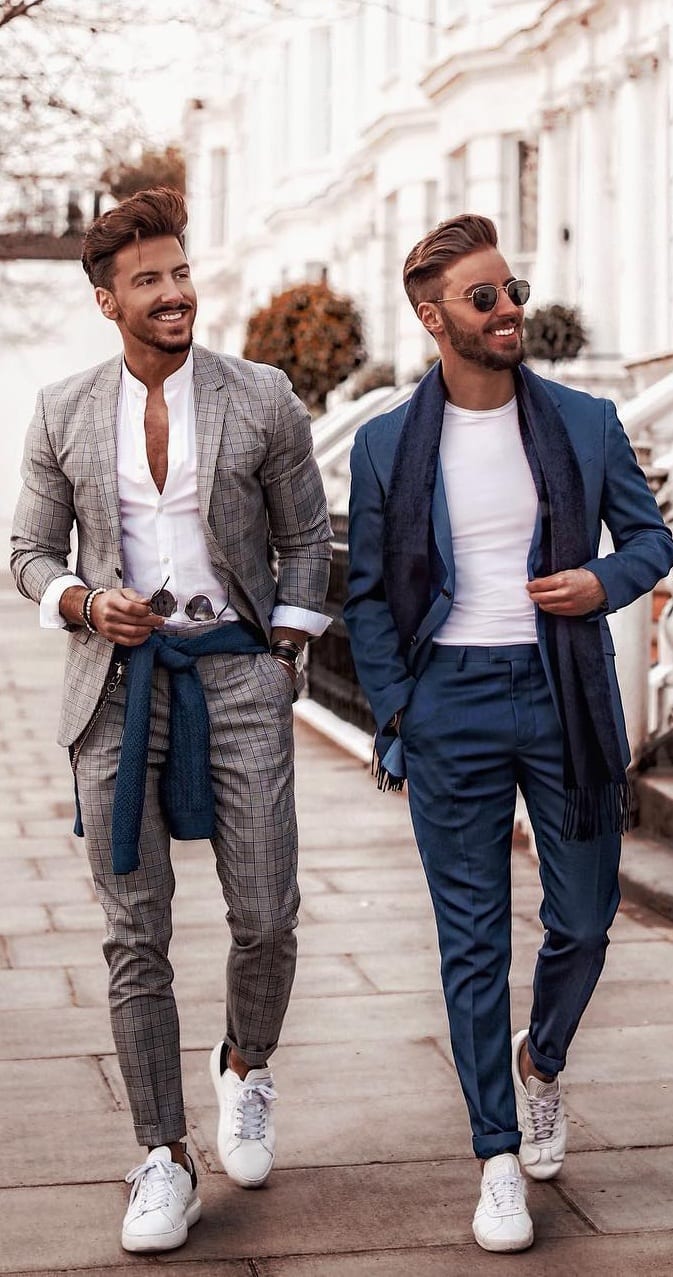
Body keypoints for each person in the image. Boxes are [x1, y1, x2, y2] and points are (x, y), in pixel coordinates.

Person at [343, 213, 673, 1253]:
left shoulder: (581, 419)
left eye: (512, 289)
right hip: (450, 702)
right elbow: (364, 593)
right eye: (484, 299)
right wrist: (401, 702)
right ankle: (494, 1153)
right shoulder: (386, 440)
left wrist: (600, 582)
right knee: (471, 941)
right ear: (434, 318)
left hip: (561, 690)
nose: (508, 311)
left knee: (582, 918)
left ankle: (542, 1062)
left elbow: (653, 536)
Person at [10, 187, 332, 1253]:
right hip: (116, 682)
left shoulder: (262, 395)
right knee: (130, 928)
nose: (174, 293)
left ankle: (246, 1061)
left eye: (180, 272)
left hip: (234, 671)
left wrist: (281, 653)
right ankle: (162, 1151)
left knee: (269, 910)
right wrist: (81, 600)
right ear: (107, 299)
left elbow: (308, 540)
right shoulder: (61, 409)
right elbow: (25, 554)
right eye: (147, 279)